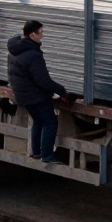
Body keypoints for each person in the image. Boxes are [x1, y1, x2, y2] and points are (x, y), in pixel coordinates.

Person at [6, 20, 69, 163]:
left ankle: (36, 152)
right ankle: (47, 155)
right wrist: (62, 91)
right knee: (50, 122)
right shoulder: (33, 55)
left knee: (39, 120)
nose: (42, 36)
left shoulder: (15, 50)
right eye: (41, 33)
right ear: (32, 35)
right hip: (35, 96)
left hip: (23, 95)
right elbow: (44, 81)